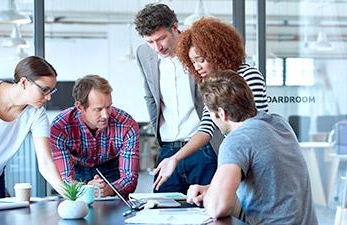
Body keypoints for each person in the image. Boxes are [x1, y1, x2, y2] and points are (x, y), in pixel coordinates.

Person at [187, 69, 318, 224]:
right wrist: (212, 189)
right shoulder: (279, 123)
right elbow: (269, 182)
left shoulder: (236, 141)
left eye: (209, 113)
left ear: (221, 113)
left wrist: (210, 197)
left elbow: (218, 208)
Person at [153, 17, 269, 190]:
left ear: (218, 52)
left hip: (253, 158)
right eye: (193, 62)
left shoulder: (248, 75)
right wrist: (174, 159)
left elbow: (256, 126)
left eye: (201, 59)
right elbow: (206, 127)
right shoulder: (211, 84)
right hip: (236, 157)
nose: (197, 67)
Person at [134, 3, 219, 194]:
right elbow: (150, 95)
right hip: (167, 148)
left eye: (161, 38)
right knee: (163, 212)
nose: (157, 47)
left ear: (174, 27)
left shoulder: (198, 51)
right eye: (150, 41)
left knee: (206, 212)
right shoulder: (143, 54)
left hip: (203, 148)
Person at [0, 56, 64, 197]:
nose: (48, 97)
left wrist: (69, 194)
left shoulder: (37, 113)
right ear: (24, 82)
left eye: (51, 91)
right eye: (44, 90)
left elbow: (45, 162)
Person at [50, 75, 139, 197]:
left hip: (111, 171)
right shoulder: (60, 127)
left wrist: (109, 190)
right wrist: (86, 189)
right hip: (77, 170)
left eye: (108, 107)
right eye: (98, 109)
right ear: (80, 107)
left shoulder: (126, 125)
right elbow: (65, 179)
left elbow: (129, 178)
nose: (105, 115)